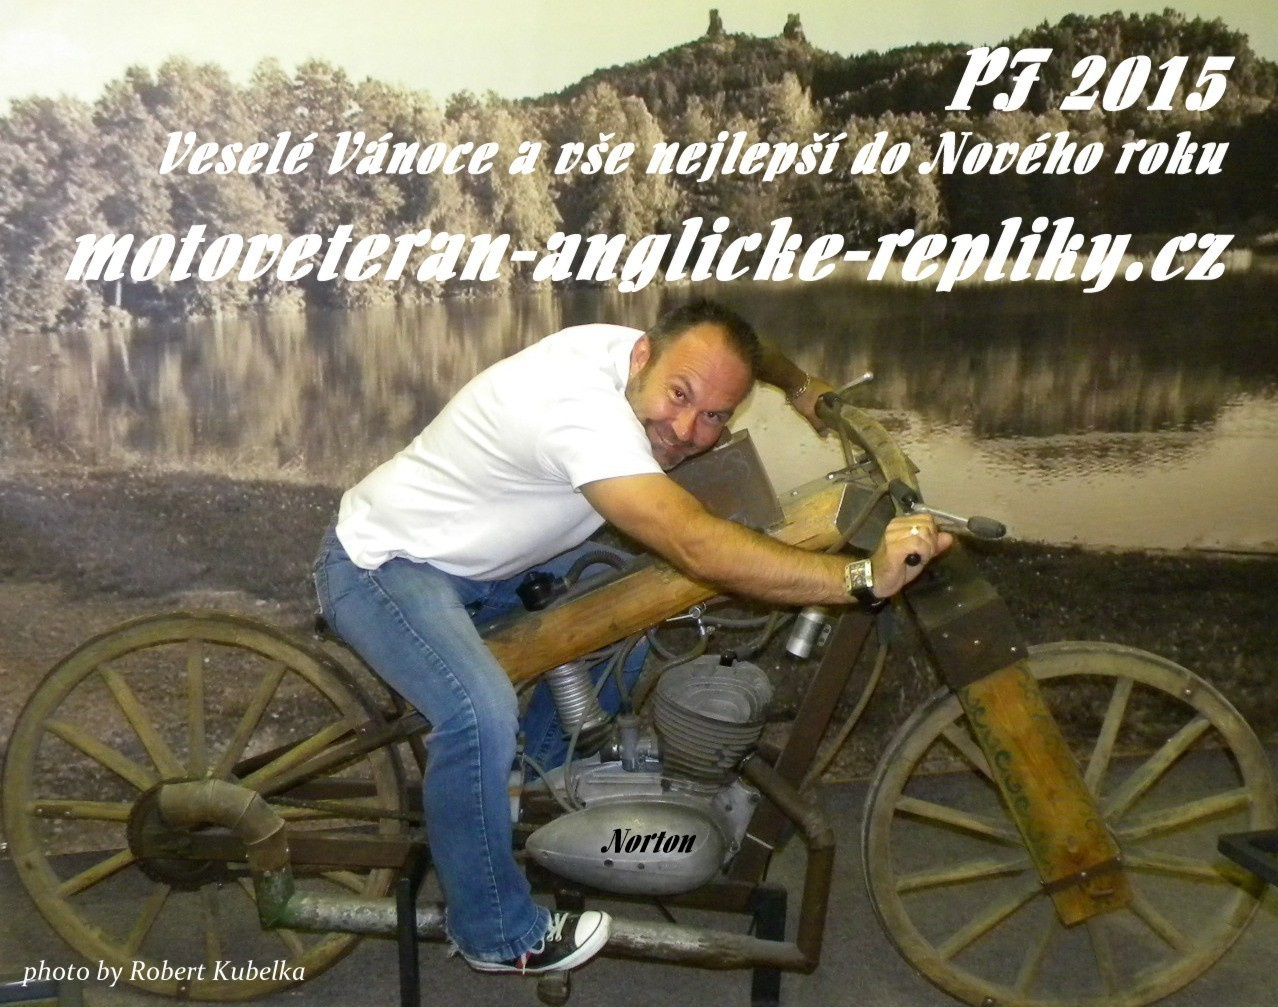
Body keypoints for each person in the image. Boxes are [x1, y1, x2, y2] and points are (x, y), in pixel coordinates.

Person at [313, 299, 949, 976]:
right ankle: (494, 933)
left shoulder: (667, 354)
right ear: (643, 356)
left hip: (490, 562)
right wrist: (860, 577)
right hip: (384, 563)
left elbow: (746, 352)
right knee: (478, 713)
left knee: (627, 601)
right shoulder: (581, 414)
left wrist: (798, 385)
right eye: (679, 397)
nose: (687, 429)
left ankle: (536, 780)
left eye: (715, 416)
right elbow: (694, 543)